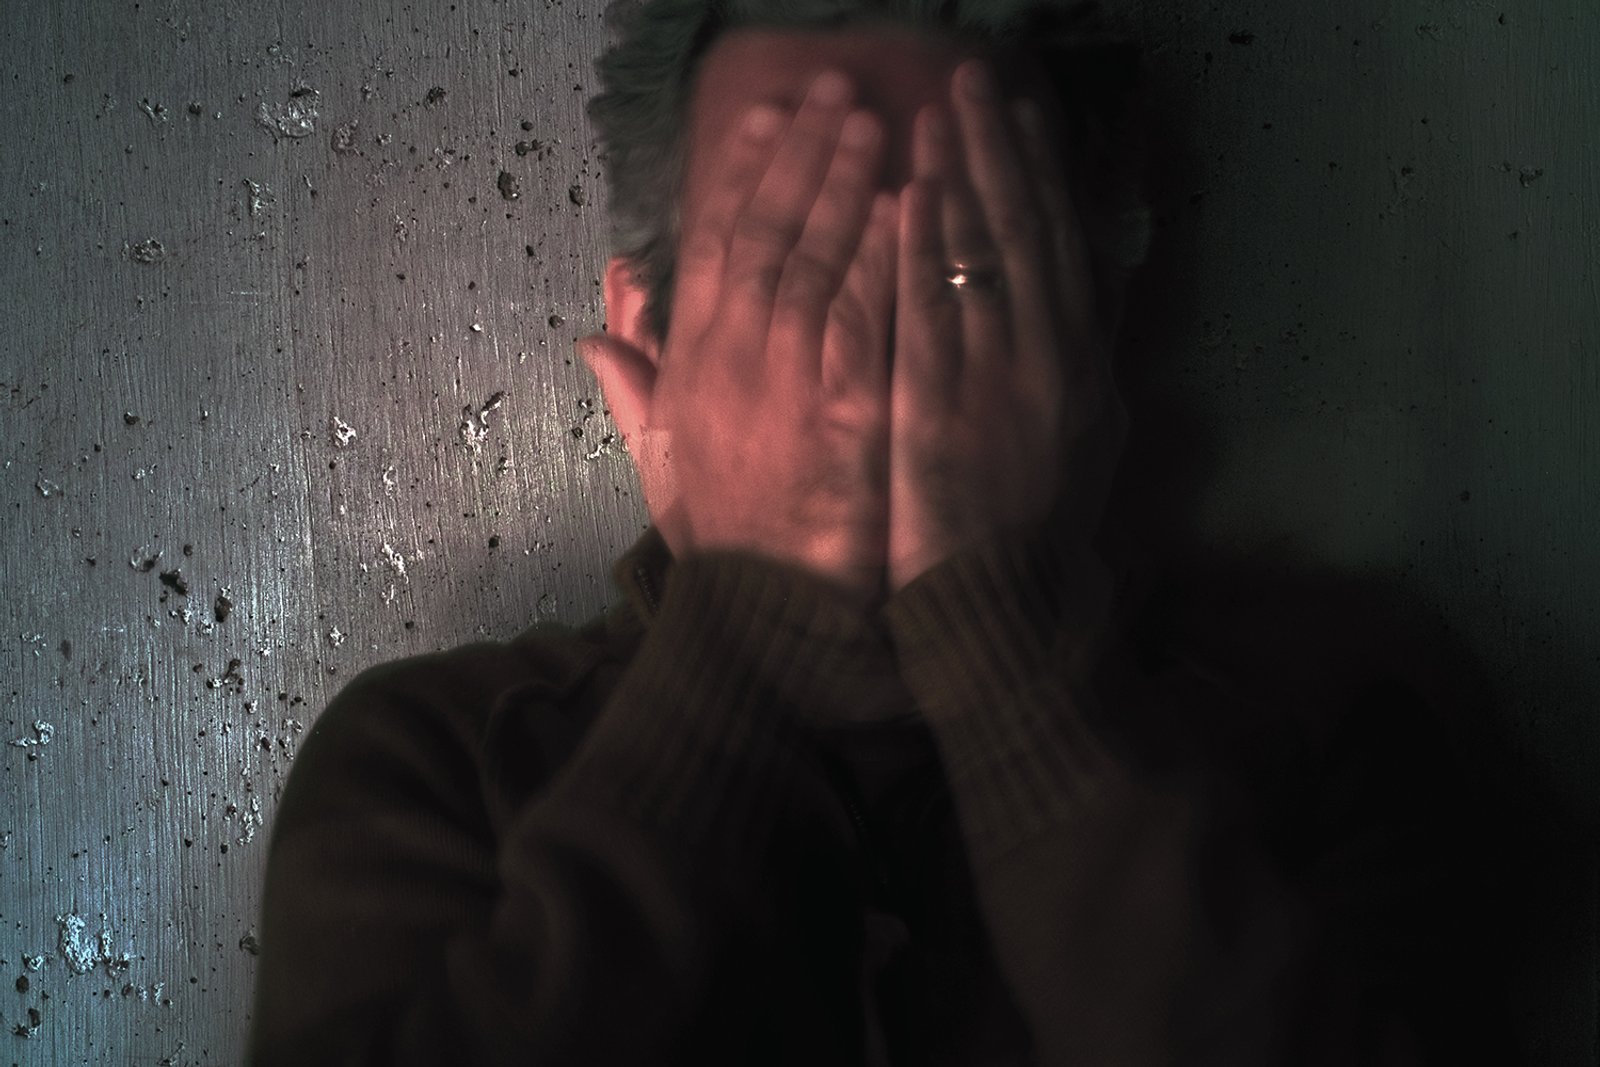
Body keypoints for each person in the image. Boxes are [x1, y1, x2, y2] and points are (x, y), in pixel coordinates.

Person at [247, 0, 1520, 1063]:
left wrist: (1000, 642)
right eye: (790, 274)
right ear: (649, 342)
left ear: (1083, 341)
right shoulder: (440, 762)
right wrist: (744, 630)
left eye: (965, 276)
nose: (868, 378)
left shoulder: (1322, 736)